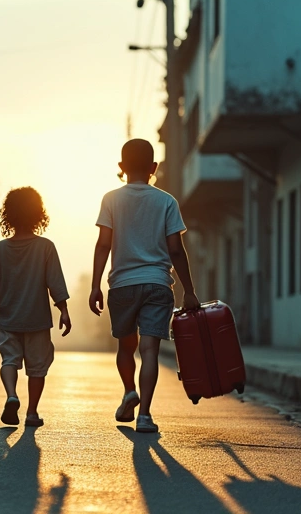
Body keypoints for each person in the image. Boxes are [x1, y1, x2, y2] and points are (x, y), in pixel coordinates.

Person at [89, 138, 200, 434]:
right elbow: (176, 250)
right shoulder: (166, 201)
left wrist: (95, 285)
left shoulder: (110, 199)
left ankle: (129, 391)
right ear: (153, 168)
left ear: (121, 167)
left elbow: (103, 245)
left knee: (127, 347)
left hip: (123, 285)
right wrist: (189, 290)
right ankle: (146, 416)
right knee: (149, 350)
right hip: (157, 285)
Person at [0, 187, 71, 428]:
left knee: (9, 361)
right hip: (38, 320)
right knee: (37, 367)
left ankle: (11, 394)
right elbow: (55, 283)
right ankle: (32, 412)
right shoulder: (46, 247)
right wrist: (63, 310)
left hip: (9, 318)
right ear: (38, 214)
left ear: (7, 215)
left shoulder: (0, 249)